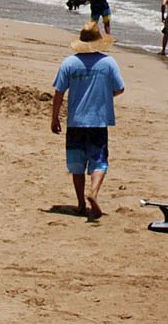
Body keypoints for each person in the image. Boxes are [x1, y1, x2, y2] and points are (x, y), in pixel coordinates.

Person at [50, 20, 125, 219]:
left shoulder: (69, 63)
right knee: (99, 161)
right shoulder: (108, 63)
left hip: (75, 121)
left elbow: (58, 93)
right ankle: (94, 192)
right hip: (98, 121)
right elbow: (119, 88)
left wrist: (54, 118)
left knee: (76, 164)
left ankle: (81, 204)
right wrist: (103, 96)